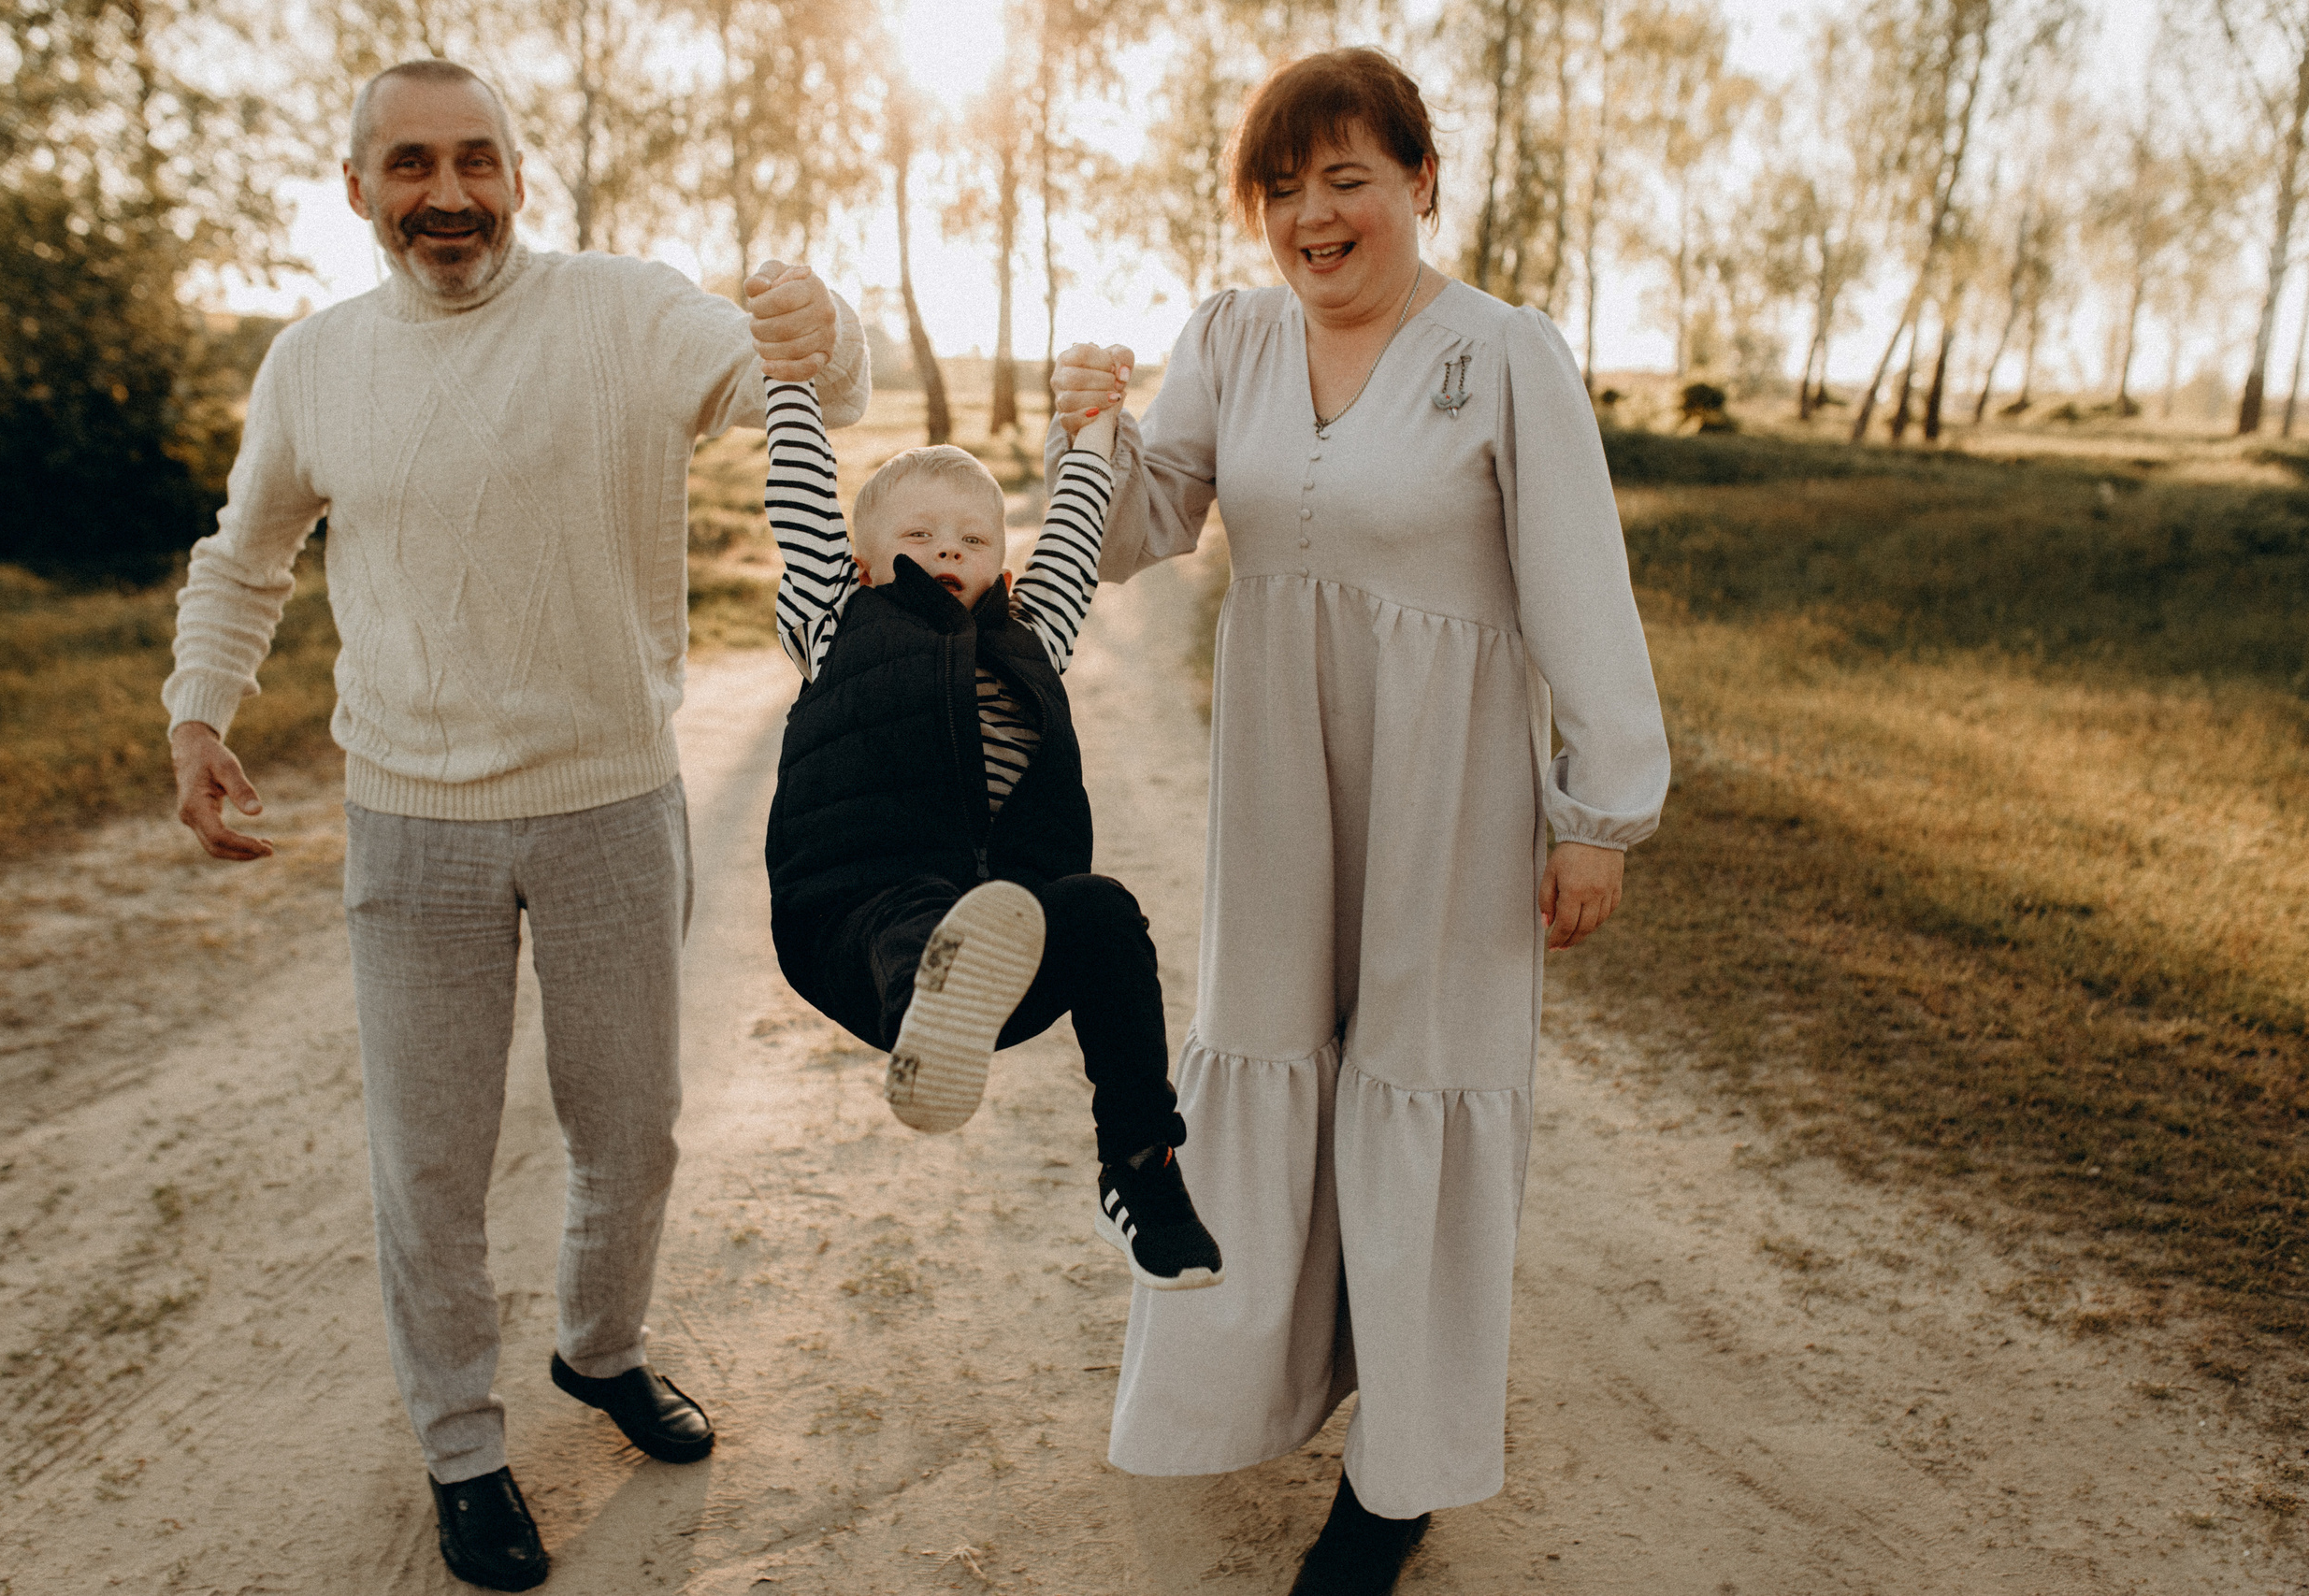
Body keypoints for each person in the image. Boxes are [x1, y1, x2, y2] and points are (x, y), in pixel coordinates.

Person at [161, 60, 867, 1593]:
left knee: (632, 1130)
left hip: (614, 803)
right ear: (359, 188)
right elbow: (243, 558)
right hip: (410, 828)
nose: (450, 193)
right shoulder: (312, 365)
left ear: (519, 173)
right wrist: (197, 713)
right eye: (411, 164)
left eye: (478, 158)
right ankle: (464, 1444)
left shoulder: (625, 308)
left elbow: (790, 383)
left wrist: (822, 325)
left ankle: (599, 1351)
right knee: (431, 1160)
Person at [1047, 48, 1669, 1596]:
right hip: (1280, 774)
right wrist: (1088, 438)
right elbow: (1143, 527)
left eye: (1348, 180)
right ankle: (1240, 1391)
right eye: (1284, 187)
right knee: (1268, 1054)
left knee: (1420, 1074)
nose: (1314, 216)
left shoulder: (1505, 353)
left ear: (1418, 185)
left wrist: (1595, 812)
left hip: (1448, 786)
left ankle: (1399, 1481)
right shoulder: (1235, 340)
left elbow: (1581, 586)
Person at [757, 335, 1223, 1292]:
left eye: (972, 540)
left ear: (1002, 570)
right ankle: (927, 1010)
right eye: (920, 538)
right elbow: (800, 492)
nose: (947, 553)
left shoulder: (1029, 634)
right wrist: (788, 374)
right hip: (853, 921)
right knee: (918, 920)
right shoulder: (833, 614)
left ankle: (1142, 1172)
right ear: (860, 565)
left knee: (1103, 912)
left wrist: (1091, 433)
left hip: (1001, 938)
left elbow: (1074, 534)